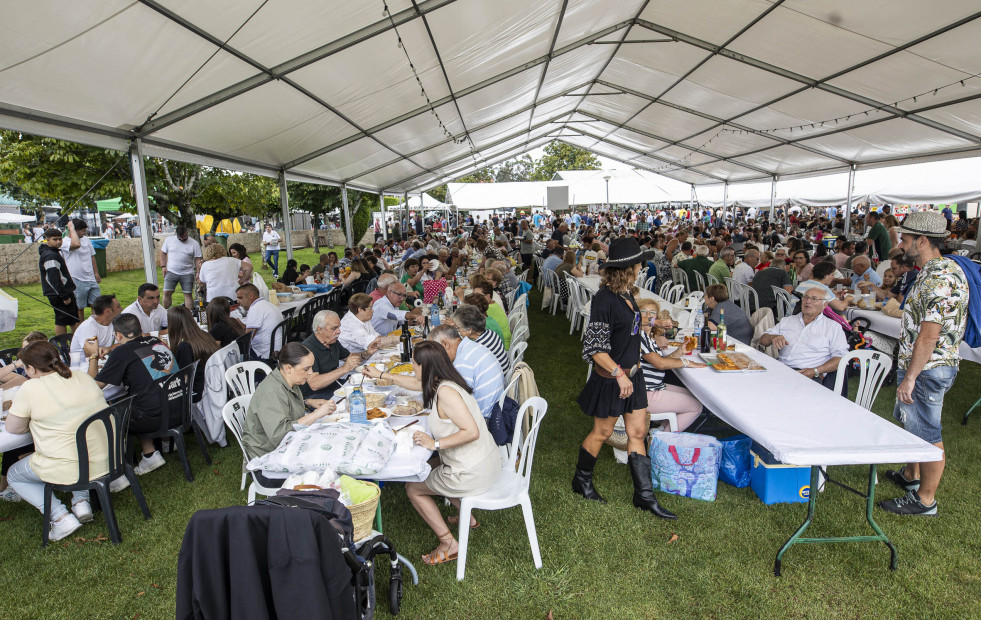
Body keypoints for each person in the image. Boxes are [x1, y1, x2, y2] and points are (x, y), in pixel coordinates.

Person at [573, 237, 676, 520]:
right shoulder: (604, 300)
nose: (642, 266)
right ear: (628, 268)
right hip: (612, 378)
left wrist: (653, 325)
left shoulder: (628, 295)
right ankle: (581, 481)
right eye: (639, 262)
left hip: (634, 375)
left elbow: (628, 329)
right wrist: (619, 374)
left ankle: (644, 496)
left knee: (638, 432)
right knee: (603, 433)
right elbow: (595, 348)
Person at [879, 211, 968, 516]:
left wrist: (911, 376)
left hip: (929, 368)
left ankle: (925, 500)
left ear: (923, 240)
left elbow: (930, 336)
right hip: (922, 365)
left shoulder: (941, 277)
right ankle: (910, 476)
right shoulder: (931, 271)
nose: (901, 244)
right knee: (912, 423)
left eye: (905, 238)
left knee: (928, 433)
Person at [402, 341, 501, 564]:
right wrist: (384, 377)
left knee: (412, 487)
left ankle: (448, 543)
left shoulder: (445, 393)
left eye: (414, 363)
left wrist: (434, 443)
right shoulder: (446, 381)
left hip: (472, 472)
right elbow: (414, 383)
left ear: (425, 367)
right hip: (486, 461)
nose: (411, 367)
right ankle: (469, 518)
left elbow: (471, 432)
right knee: (432, 466)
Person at [4, 341, 110, 540]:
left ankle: (60, 518)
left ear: (31, 369)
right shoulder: (83, 377)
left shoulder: (30, 387)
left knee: (13, 474)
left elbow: (13, 428)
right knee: (77, 445)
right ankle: (80, 502)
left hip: (71, 468)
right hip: (108, 459)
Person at [85, 313, 177, 477]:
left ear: (118, 335)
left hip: (155, 416)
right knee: (138, 398)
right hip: (178, 407)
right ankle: (159, 446)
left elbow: (92, 387)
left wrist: (92, 355)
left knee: (118, 410)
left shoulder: (121, 353)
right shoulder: (157, 342)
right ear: (140, 330)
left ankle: (135, 461)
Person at [240, 343, 337, 487]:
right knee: (327, 466)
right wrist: (317, 414)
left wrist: (308, 402)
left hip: (286, 447)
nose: (310, 372)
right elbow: (280, 435)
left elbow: (287, 404)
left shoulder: (287, 380)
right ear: (288, 368)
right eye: (306, 368)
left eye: (311, 367)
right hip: (267, 461)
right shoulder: (272, 391)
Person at [758, 286, 849, 395]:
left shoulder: (832, 327)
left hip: (806, 374)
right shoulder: (788, 321)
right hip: (780, 368)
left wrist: (816, 371)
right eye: (805, 297)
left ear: (824, 305)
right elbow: (762, 340)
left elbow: (841, 358)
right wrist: (773, 337)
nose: (808, 301)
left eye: (814, 299)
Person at [636, 298, 705, 431]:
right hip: (644, 393)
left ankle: (660, 430)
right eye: (643, 312)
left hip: (652, 387)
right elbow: (660, 364)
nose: (648, 316)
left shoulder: (647, 338)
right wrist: (687, 362)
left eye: (652, 313)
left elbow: (659, 362)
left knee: (694, 395)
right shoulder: (639, 336)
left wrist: (680, 352)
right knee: (696, 406)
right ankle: (662, 440)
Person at [301, 310, 377, 399]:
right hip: (316, 396)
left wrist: (366, 353)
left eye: (339, 327)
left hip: (335, 386)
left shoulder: (332, 341)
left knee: (369, 391)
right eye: (334, 328)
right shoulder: (308, 349)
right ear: (320, 329)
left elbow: (351, 358)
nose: (339, 331)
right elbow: (314, 384)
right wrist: (344, 369)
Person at [168, 305, 218, 402]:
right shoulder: (204, 335)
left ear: (173, 324)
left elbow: (184, 378)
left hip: (197, 393)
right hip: (211, 386)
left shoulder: (185, 347)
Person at [39, 228, 79, 336]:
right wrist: (64, 297)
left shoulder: (53, 252)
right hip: (59, 293)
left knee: (69, 319)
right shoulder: (50, 255)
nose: (58, 242)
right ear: (47, 240)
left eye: (60, 239)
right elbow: (54, 279)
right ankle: (65, 343)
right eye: (55, 239)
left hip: (59, 292)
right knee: (65, 320)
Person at [61, 218, 101, 323]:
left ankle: (96, 328)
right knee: (79, 308)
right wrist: (72, 229)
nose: (84, 233)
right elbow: (76, 245)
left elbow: (92, 256)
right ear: (74, 230)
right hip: (76, 279)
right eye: (82, 231)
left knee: (97, 305)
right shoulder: (65, 242)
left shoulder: (86, 240)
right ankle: (80, 331)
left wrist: (96, 273)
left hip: (90, 278)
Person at [451, 304, 508, 374]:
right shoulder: (490, 333)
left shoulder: (477, 347)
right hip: (505, 373)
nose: (458, 331)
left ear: (470, 330)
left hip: (498, 378)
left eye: (458, 328)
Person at [236, 284, 284, 361]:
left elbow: (248, 338)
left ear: (250, 296)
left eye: (240, 298)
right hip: (275, 348)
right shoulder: (265, 304)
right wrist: (240, 324)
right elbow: (253, 327)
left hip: (265, 354)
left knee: (235, 352)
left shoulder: (256, 308)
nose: (238, 301)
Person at [159, 225, 202, 310]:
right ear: (176, 234)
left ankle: (189, 314)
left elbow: (198, 259)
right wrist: (163, 266)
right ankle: (166, 313)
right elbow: (163, 252)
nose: (182, 239)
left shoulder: (194, 243)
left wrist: (198, 273)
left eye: (184, 237)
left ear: (187, 232)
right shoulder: (169, 240)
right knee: (167, 292)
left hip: (187, 273)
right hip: (171, 271)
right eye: (180, 238)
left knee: (188, 294)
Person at [69, 294, 121, 362]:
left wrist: (109, 348)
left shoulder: (112, 323)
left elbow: (125, 342)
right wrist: (112, 348)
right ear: (108, 311)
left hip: (102, 362)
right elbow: (92, 353)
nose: (121, 309)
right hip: (83, 366)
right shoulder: (88, 328)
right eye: (118, 307)